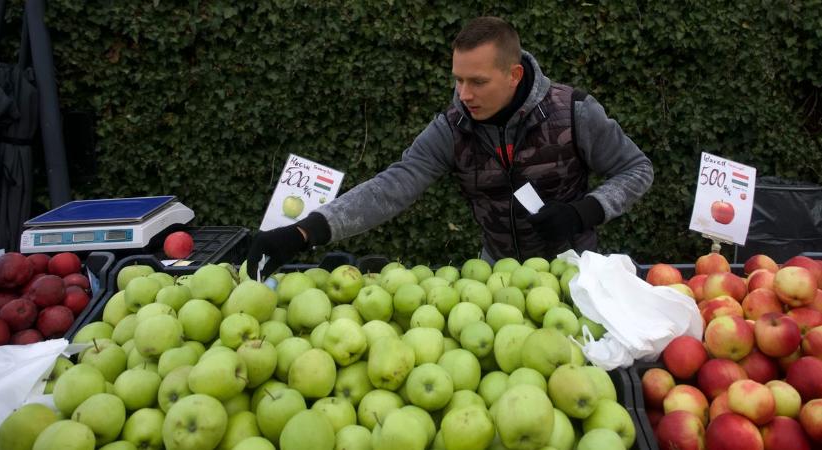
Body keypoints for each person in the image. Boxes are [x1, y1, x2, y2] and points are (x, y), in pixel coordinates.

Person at [247, 16, 653, 278]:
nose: (464, 94)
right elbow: (392, 187)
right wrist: (305, 231)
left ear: (513, 75)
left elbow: (637, 169)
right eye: (458, 80)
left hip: (575, 272)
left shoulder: (573, 112)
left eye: (478, 82)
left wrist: (584, 211)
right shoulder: (452, 128)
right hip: (495, 279)